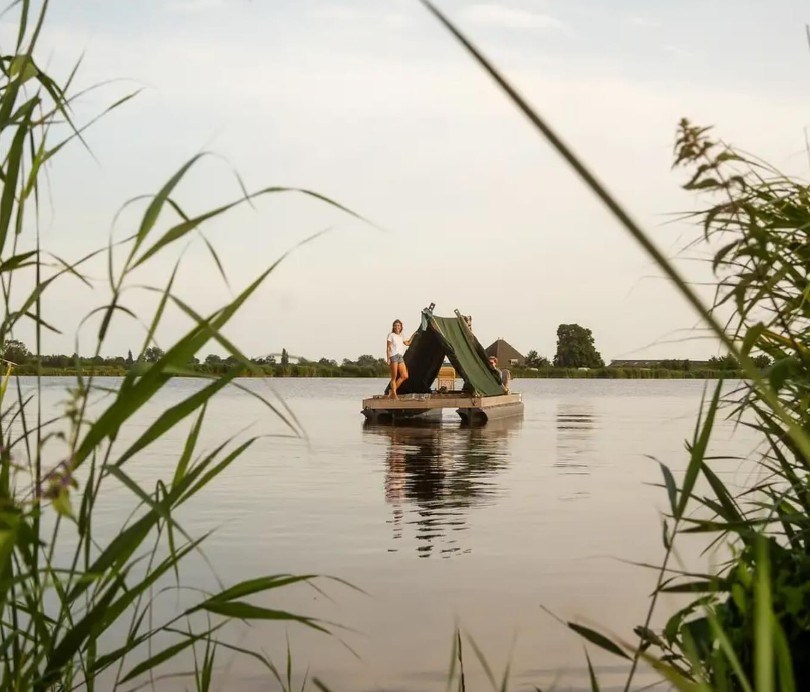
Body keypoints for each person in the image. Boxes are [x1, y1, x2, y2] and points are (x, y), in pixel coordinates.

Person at [387, 319, 413, 399]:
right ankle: (394, 395)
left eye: (398, 325)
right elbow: (388, 348)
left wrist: (414, 335)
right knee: (394, 377)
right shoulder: (391, 335)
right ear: (393, 327)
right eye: (395, 325)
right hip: (393, 356)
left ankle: (392, 391)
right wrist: (388, 359)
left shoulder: (402, 335)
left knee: (404, 376)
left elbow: (408, 343)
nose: (397, 327)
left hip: (400, 357)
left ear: (401, 327)